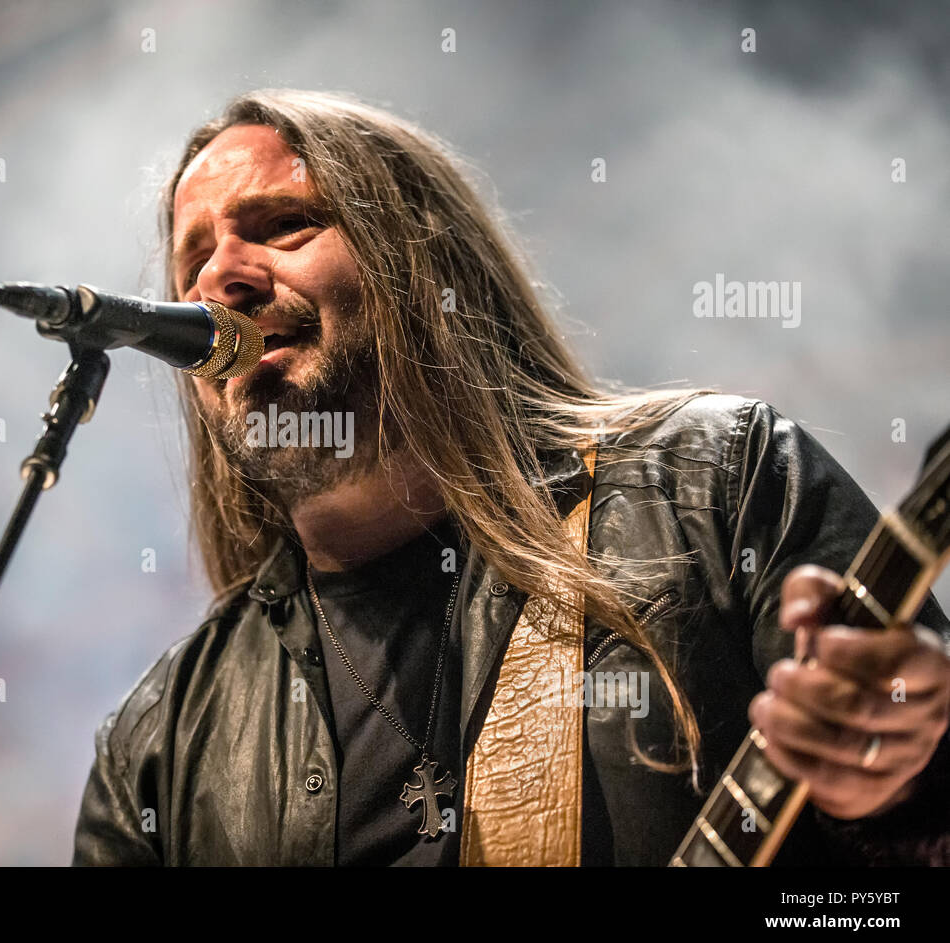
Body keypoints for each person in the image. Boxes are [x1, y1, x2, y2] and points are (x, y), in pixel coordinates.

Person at [72, 89, 950, 866]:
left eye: (282, 225)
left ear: (419, 264)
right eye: (194, 267)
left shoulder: (714, 483)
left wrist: (904, 790)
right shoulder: (160, 744)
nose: (223, 278)